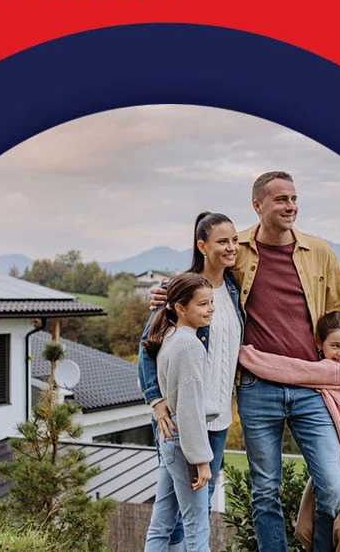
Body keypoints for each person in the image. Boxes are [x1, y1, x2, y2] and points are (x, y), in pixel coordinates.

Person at [150, 171, 340, 552]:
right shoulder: (239, 249)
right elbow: (204, 276)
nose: (291, 206)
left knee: (332, 485)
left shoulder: (320, 252)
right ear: (258, 205)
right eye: (281, 199)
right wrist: (168, 293)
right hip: (257, 387)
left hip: (311, 387)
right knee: (265, 491)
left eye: (294, 198)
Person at [139, 212, 244, 550]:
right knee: (194, 517)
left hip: (216, 418)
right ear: (202, 246)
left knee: (172, 513)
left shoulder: (231, 289)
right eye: (222, 241)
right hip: (186, 422)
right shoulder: (182, 291)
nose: (231, 247)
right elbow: (148, 350)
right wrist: (156, 402)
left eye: (234, 240)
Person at [238, 312, 340, 552]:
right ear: (318, 343)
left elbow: (288, 370)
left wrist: (245, 354)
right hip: (336, 450)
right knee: (303, 530)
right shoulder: (323, 367)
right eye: (336, 346)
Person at [142, 272, 219, 552]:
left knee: (161, 523)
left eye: (211, 302)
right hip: (184, 440)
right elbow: (190, 408)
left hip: (171, 439)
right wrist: (201, 460)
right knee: (197, 525)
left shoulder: (171, 337)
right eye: (202, 304)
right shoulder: (189, 346)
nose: (210, 309)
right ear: (180, 308)